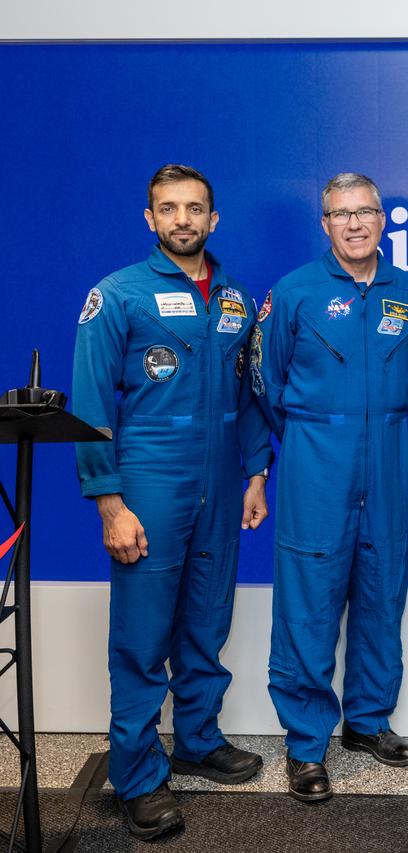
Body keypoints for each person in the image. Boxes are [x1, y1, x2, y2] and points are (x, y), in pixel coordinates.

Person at [72, 164, 271, 840]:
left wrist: (255, 474)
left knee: (206, 621)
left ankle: (197, 737)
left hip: (222, 475)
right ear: (149, 219)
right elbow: (92, 406)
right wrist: (109, 502)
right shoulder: (118, 295)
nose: (182, 218)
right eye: (169, 208)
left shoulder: (237, 299)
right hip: (151, 473)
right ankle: (136, 775)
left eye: (195, 208)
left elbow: (247, 394)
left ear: (213, 220)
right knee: (142, 635)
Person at [251, 172, 408, 802]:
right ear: (324, 224)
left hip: (389, 453)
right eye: (341, 214)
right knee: (311, 595)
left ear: (383, 221)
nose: (355, 224)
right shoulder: (294, 292)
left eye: (366, 212)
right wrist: (306, 440)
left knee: (382, 587)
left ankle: (369, 721)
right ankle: (305, 744)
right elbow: (264, 387)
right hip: (314, 459)